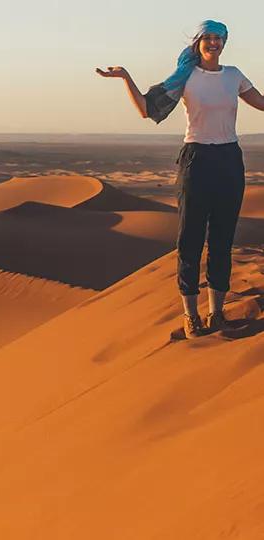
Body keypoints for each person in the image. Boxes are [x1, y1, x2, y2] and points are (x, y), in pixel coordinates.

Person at [96, 20, 264, 339]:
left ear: (225, 42)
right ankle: (191, 316)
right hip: (196, 160)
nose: (213, 43)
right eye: (208, 37)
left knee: (222, 241)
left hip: (229, 159)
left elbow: (262, 103)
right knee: (189, 240)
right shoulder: (185, 77)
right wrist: (125, 78)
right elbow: (147, 109)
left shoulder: (234, 76)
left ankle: (217, 314)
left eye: (219, 38)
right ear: (199, 42)